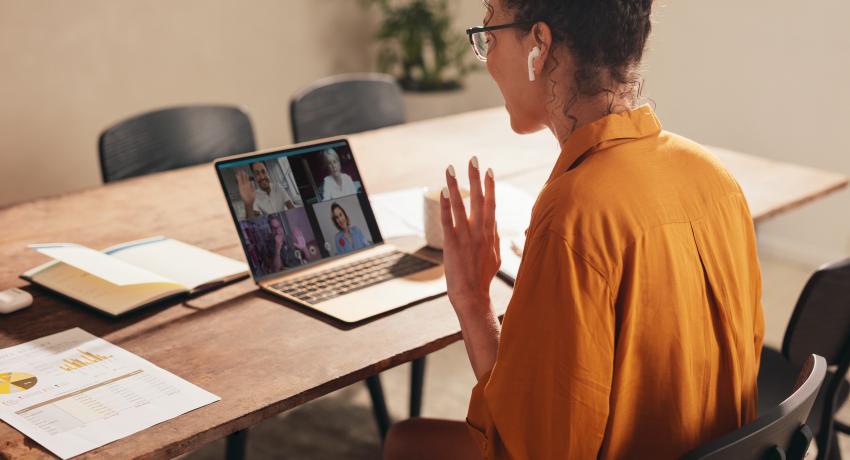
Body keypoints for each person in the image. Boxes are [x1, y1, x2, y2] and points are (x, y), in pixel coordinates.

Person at [383, 1, 764, 459]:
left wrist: (472, 302)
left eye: (491, 34)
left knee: (404, 442)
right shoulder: (714, 178)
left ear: (539, 46)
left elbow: (533, 449)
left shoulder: (574, 214)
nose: (486, 61)